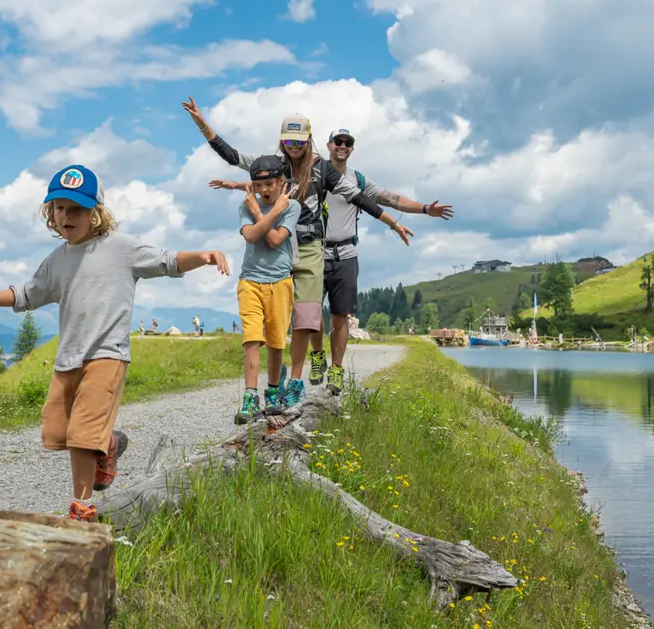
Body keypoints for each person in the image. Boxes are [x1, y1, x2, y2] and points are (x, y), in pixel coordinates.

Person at [0, 164, 229, 522]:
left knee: (80, 437)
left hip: (107, 356)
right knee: (58, 432)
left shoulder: (122, 249)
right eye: (59, 208)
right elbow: (28, 294)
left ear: (96, 213)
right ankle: (108, 444)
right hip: (68, 359)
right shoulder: (56, 260)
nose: (66, 216)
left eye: (76, 208)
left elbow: (167, 260)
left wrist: (203, 256)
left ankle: (82, 507)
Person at [183, 97, 412, 404]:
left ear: (309, 139)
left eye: (299, 140)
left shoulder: (323, 169)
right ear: (281, 140)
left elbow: (359, 198)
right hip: (278, 248)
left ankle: (295, 382)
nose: (293, 146)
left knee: (306, 315)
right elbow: (231, 155)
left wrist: (393, 223)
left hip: (310, 247)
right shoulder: (272, 165)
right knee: (277, 322)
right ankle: (274, 383)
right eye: (288, 140)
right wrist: (202, 123)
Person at [308, 128, 454, 388]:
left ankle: (337, 371)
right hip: (315, 252)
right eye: (338, 142)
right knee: (312, 311)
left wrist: (423, 209)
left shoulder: (359, 180)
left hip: (346, 254)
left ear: (352, 148)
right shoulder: (315, 173)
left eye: (348, 142)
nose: (343, 146)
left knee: (341, 316)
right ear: (328, 145)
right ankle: (318, 356)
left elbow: (392, 199)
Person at [233, 156, 301, 423]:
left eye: (270, 183)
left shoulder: (292, 207)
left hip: (280, 282)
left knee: (275, 341)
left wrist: (263, 213)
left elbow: (274, 240)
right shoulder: (245, 206)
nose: (265, 190)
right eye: (259, 185)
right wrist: (267, 212)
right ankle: (250, 396)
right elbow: (250, 235)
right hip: (250, 280)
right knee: (251, 338)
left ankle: (273, 391)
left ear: (281, 182)